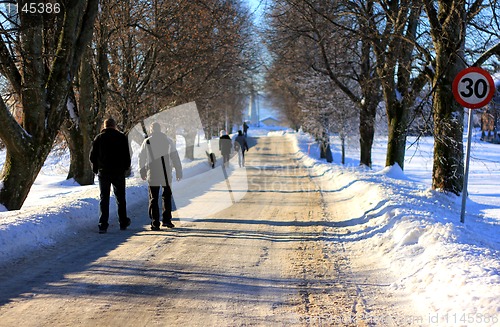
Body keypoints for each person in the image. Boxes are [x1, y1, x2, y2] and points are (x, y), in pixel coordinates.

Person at [90, 118, 132, 234]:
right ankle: (123, 221)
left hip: (103, 172)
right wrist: (126, 167)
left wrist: (95, 169)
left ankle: (103, 224)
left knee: (104, 198)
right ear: (114, 126)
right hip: (118, 172)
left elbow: (92, 156)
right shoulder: (122, 137)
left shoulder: (99, 138)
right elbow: (127, 154)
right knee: (120, 198)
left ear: (104, 126)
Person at [139, 123, 182, 231]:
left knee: (153, 198)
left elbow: (142, 157)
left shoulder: (146, 141)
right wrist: (178, 170)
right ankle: (167, 220)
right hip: (165, 172)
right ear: (160, 129)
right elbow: (174, 156)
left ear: (151, 130)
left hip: (152, 172)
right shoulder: (168, 140)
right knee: (166, 195)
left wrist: (142, 170)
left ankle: (155, 223)